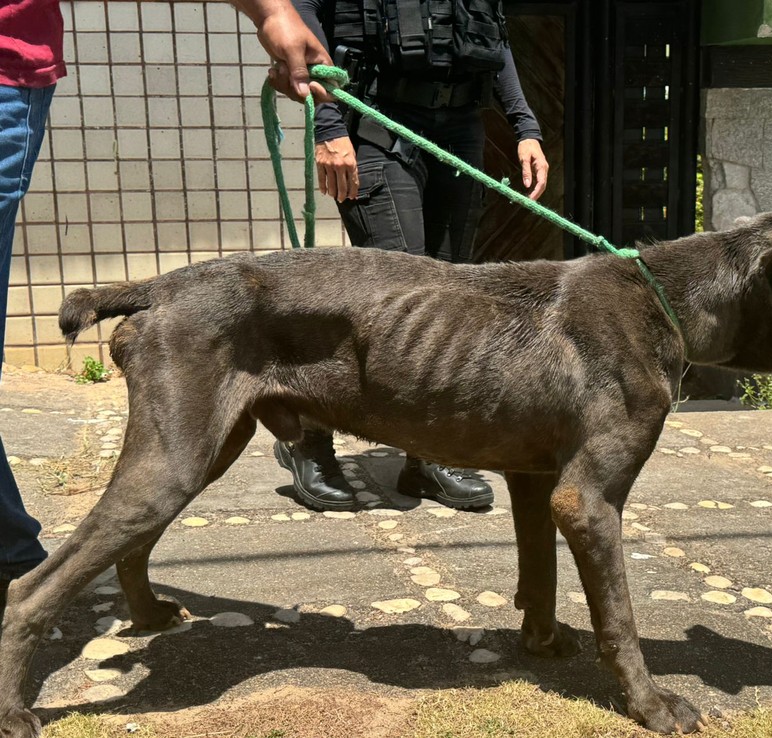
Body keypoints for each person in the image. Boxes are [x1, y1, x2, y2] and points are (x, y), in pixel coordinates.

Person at [0, 0, 333, 616]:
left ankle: (15, 563)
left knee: (170, 475)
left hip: (10, 66)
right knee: (165, 476)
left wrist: (269, 11)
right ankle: (26, 589)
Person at [272, 0, 548, 513]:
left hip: (462, 125)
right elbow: (303, 16)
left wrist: (524, 125)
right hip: (377, 120)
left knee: (451, 306)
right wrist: (328, 127)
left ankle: (428, 456)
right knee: (394, 305)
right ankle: (306, 439)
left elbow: (495, 34)